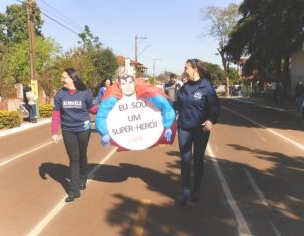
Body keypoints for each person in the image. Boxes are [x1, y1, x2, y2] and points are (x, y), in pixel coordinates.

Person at [174, 59, 221, 204]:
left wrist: (211, 120)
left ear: (195, 69)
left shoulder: (206, 87)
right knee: (185, 160)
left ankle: (196, 191)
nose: (184, 70)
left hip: (200, 130)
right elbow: (177, 105)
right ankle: (185, 192)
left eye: (186, 67)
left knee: (198, 160)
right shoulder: (184, 87)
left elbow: (215, 107)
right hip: (184, 128)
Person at [51, 68, 97, 202]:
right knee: (73, 158)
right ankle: (74, 190)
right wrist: (54, 132)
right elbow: (56, 114)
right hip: (67, 130)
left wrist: (105, 108)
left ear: (72, 78)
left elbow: (92, 109)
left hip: (83, 129)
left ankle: (83, 178)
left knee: (82, 155)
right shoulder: (60, 94)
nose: (62, 79)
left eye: (64, 77)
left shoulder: (85, 93)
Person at [95, 75, 176, 149]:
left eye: (130, 82)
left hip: (151, 135)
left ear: (134, 83)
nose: (127, 86)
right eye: (123, 84)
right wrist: (104, 132)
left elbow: (166, 108)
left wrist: (167, 126)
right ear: (120, 86)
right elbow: (101, 115)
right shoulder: (112, 95)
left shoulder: (147, 90)